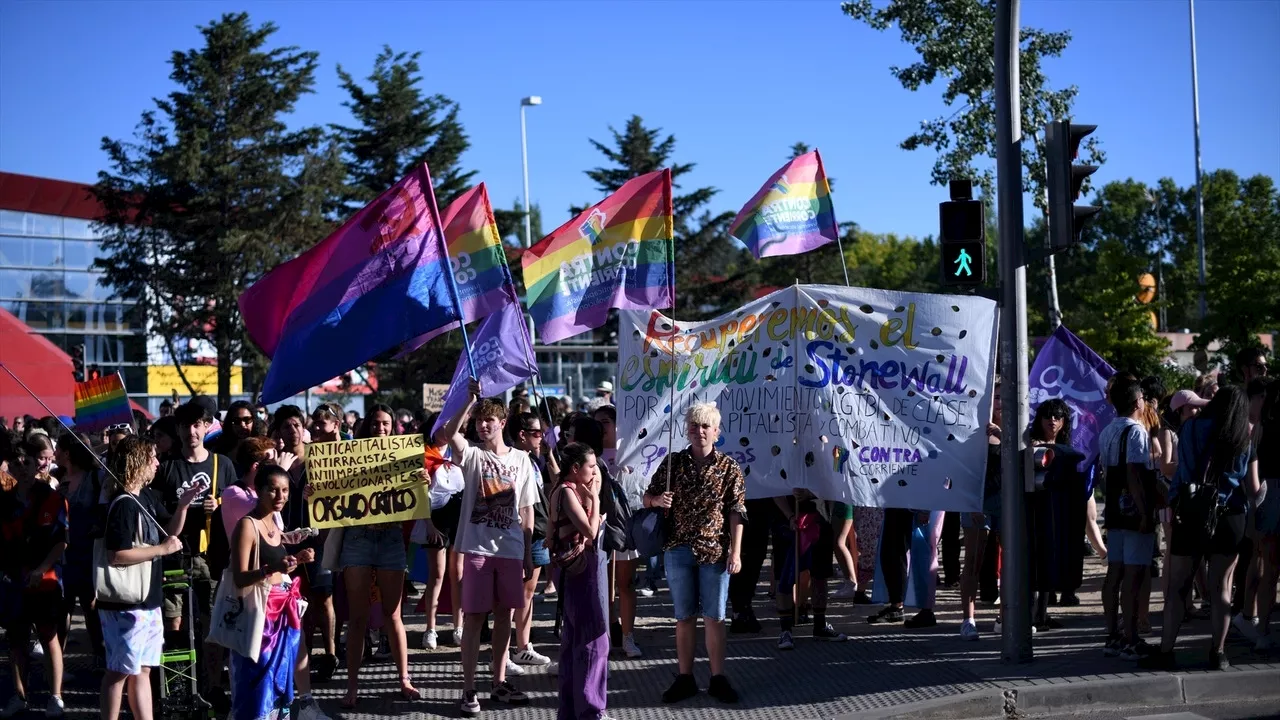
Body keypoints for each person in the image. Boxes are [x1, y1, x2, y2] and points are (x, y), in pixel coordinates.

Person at [1141, 386, 1261, 670]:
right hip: (1230, 516)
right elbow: (1253, 488)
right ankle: (1218, 653)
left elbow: (1182, 473)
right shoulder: (1245, 437)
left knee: (1179, 587)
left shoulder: (1192, 428)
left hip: (1191, 513)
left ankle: (1166, 650)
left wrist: (1172, 503)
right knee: (1222, 589)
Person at [440, 380, 537, 717]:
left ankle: (498, 682)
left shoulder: (523, 460)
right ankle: (469, 688)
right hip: (477, 549)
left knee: (504, 618)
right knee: (474, 619)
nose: (484, 425)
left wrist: (526, 552)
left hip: (510, 550)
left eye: (489, 420)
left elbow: (527, 510)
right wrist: (467, 401)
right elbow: (450, 435)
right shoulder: (473, 455)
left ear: (502, 422)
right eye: (480, 420)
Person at [643, 402, 745, 705]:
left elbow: (737, 511)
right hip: (678, 548)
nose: (699, 431)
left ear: (716, 431)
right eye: (693, 426)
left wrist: (735, 552)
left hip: (715, 550)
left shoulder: (729, 467)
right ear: (686, 430)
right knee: (684, 616)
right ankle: (685, 677)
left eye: (705, 426)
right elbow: (647, 496)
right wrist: (658, 500)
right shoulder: (673, 463)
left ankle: (717, 677)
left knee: (715, 617)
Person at [96, 437, 199, 720]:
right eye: (152, 458)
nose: (157, 463)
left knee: (144, 668)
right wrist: (161, 550)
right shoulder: (124, 504)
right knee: (118, 670)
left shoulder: (147, 497)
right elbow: (117, 555)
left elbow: (170, 534)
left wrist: (183, 507)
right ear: (138, 462)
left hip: (148, 598)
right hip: (125, 602)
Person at [154, 400, 236, 707]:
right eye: (186, 425)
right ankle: (178, 688)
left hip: (211, 558)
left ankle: (213, 686)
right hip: (175, 557)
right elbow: (158, 517)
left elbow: (240, 512)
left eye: (198, 424)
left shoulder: (222, 465)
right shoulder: (167, 467)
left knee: (212, 625)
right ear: (177, 429)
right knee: (173, 624)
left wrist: (221, 506)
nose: (192, 431)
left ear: (206, 426)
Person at [336, 403, 418, 707]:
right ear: (367, 426)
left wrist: (422, 482)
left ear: (394, 426)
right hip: (357, 538)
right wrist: (316, 492)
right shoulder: (350, 456)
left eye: (385, 424)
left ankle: (404, 679)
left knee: (393, 615)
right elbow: (334, 491)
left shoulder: (405, 456)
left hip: (391, 539)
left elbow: (418, 499)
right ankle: (352, 687)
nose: (380, 429)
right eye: (375, 424)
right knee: (357, 619)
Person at [227, 463, 315, 720]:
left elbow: (278, 569)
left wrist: (297, 559)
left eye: (285, 491)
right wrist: (272, 568)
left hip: (282, 616)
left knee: (279, 681)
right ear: (259, 490)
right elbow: (241, 577)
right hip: (259, 620)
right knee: (257, 685)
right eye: (273, 491)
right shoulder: (247, 525)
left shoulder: (274, 524)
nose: (280, 497)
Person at [0, 435, 68, 718]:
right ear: (10, 468)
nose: (23, 468)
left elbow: (62, 541)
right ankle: (20, 696)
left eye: (28, 462)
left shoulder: (52, 498)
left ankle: (55, 697)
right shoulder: (2, 502)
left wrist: (42, 569)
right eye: (17, 464)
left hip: (45, 578)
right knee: (16, 640)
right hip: (13, 580)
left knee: (49, 635)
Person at [271, 405, 337, 691]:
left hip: (318, 538)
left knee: (324, 597)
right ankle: (304, 653)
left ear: (304, 427)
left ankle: (331, 653)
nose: (292, 430)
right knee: (297, 600)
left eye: (297, 425)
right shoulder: (277, 464)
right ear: (280, 432)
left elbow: (337, 492)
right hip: (287, 540)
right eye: (286, 426)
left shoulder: (319, 457)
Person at [549, 442, 612, 720]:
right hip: (578, 570)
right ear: (576, 469)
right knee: (592, 640)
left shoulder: (565, 489)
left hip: (571, 570)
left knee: (575, 639)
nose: (595, 472)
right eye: (591, 466)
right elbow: (590, 529)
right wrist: (596, 500)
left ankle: (572, 709)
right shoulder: (566, 491)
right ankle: (589, 709)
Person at [1098, 379, 1159, 662]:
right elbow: (1134, 473)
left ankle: (1112, 635)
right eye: (1143, 398)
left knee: (1115, 573)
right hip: (1133, 511)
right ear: (1138, 403)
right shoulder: (1137, 432)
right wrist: (1146, 512)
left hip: (1113, 508)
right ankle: (1132, 638)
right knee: (1133, 577)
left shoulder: (1108, 430)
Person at [773, 489, 850, 650]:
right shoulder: (780, 462)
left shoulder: (822, 462)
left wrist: (813, 493)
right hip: (786, 521)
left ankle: (820, 625)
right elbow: (775, 488)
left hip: (818, 518)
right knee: (784, 574)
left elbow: (832, 484)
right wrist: (790, 516)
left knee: (820, 574)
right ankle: (785, 629)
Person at [55, 433, 107, 670]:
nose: (55, 453)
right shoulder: (57, 479)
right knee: (60, 610)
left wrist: (98, 524)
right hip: (61, 555)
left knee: (91, 608)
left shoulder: (96, 478)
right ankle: (57, 659)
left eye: (58, 449)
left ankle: (99, 653)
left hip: (88, 555)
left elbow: (105, 510)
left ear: (67, 453)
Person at [508, 412, 553, 670]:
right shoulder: (513, 461)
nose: (542, 438)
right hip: (519, 533)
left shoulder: (536, 460)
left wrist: (549, 454)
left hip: (537, 533)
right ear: (521, 435)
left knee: (528, 593)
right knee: (512, 595)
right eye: (537, 433)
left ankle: (523, 646)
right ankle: (503, 652)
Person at [961, 380, 1004, 641]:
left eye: (1002, 396)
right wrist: (972, 502)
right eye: (995, 397)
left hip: (1005, 503)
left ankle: (1005, 617)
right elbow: (965, 468)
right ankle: (968, 619)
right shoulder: (975, 429)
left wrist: (1003, 434)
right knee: (973, 561)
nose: (999, 402)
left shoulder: (1014, 428)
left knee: (1009, 563)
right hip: (978, 503)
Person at [417, 411, 463, 652]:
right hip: (435, 519)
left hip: (459, 518)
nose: (449, 430)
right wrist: (429, 525)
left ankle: (459, 626)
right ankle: (430, 628)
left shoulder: (462, 452)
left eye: (452, 425)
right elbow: (418, 495)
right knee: (436, 575)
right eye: (444, 426)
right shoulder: (422, 454)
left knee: (458, 574)